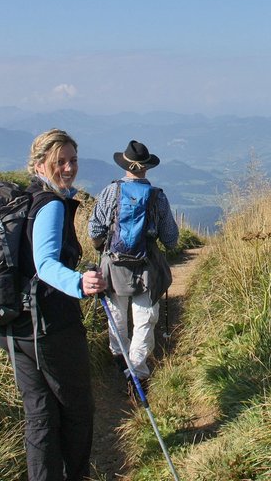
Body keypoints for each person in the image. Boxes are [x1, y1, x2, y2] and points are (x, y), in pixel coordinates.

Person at [0, 128, 107, 481]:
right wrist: (79, 283)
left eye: (73, 160)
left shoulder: (24, 199)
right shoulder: (51, 205)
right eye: (60, 161)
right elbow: (44, 265)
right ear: (41, 163)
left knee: (40, 413)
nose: (69, 168)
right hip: (50, 326)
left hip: (15, 327)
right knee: (76, 410)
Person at [88, 140, 178, 392]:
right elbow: (171, 239)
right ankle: (137, 373)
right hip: (147, 266)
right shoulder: (158, 197)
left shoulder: (109, 192)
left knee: (117, 316)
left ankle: (121, 358)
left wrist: (103, 248)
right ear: (147, 167)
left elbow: (94, 230)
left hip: (113, 264)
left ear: (125, 165)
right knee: (145, 319)